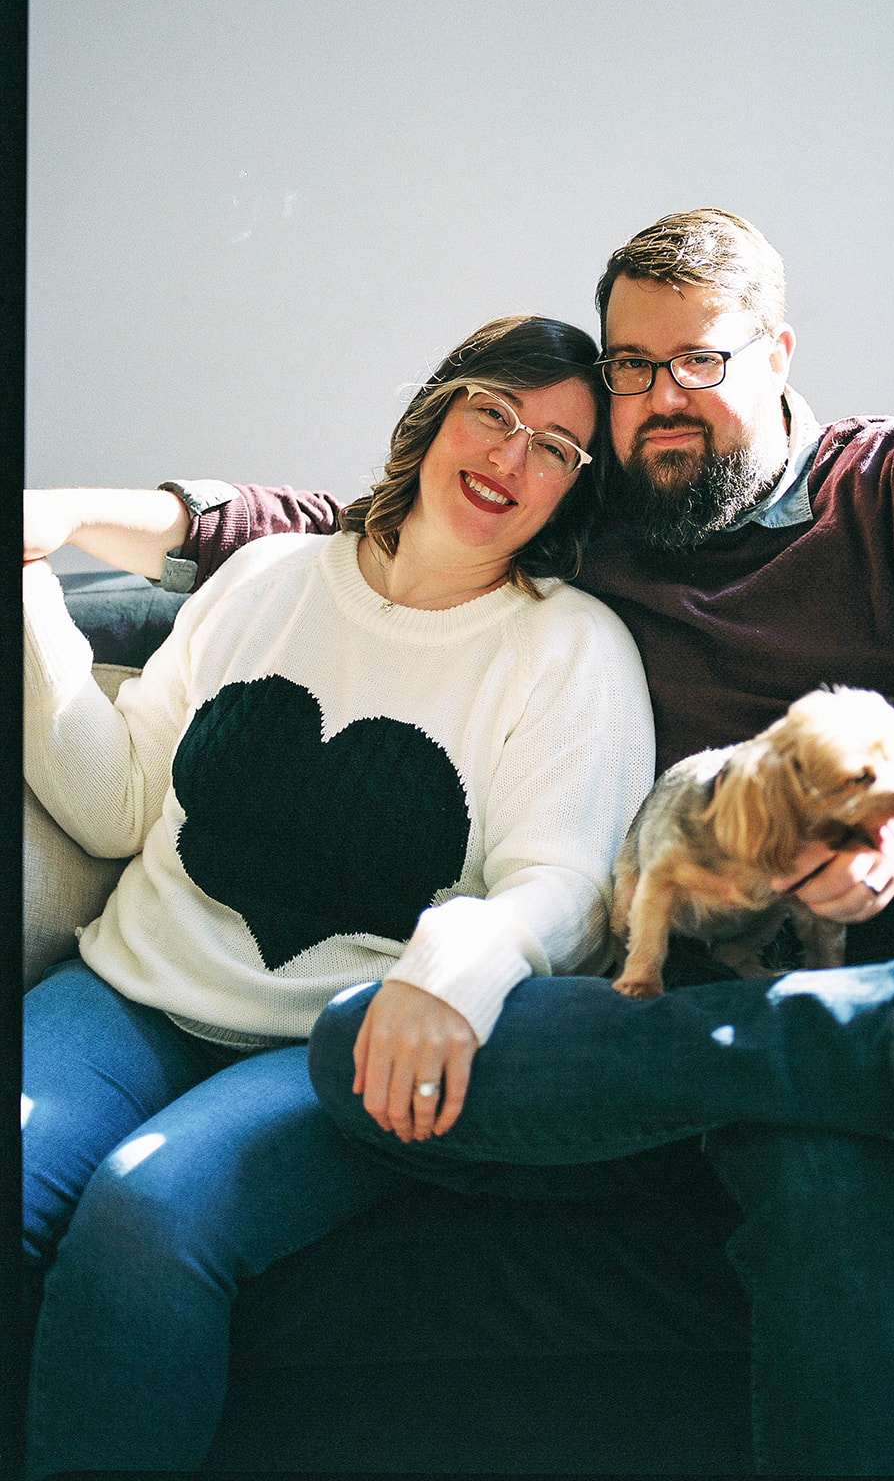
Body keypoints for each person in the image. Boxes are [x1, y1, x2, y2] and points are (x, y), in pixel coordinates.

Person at [24, 210, 894, 1475]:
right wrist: (74, 518)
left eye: (700, 359)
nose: (658, 398)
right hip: (635, 1010)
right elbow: (351, 529)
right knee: (366, 1029)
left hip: (834, 954)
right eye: (630, 366)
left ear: (778, 352)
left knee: (830, 1195)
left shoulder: (890, 482)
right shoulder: (605, 503)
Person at [20, 315, 658, 1478]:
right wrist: (27, 593)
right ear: (437, 410)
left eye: (559, 448)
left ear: (576, 491)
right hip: (123, 1004)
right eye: (494, 412)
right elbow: (114, 805)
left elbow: (562, 887)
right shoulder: (269, 579)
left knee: (144, 1216)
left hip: (334, 1060)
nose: (512, 457)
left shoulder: (568, 649)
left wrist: (452, 970)